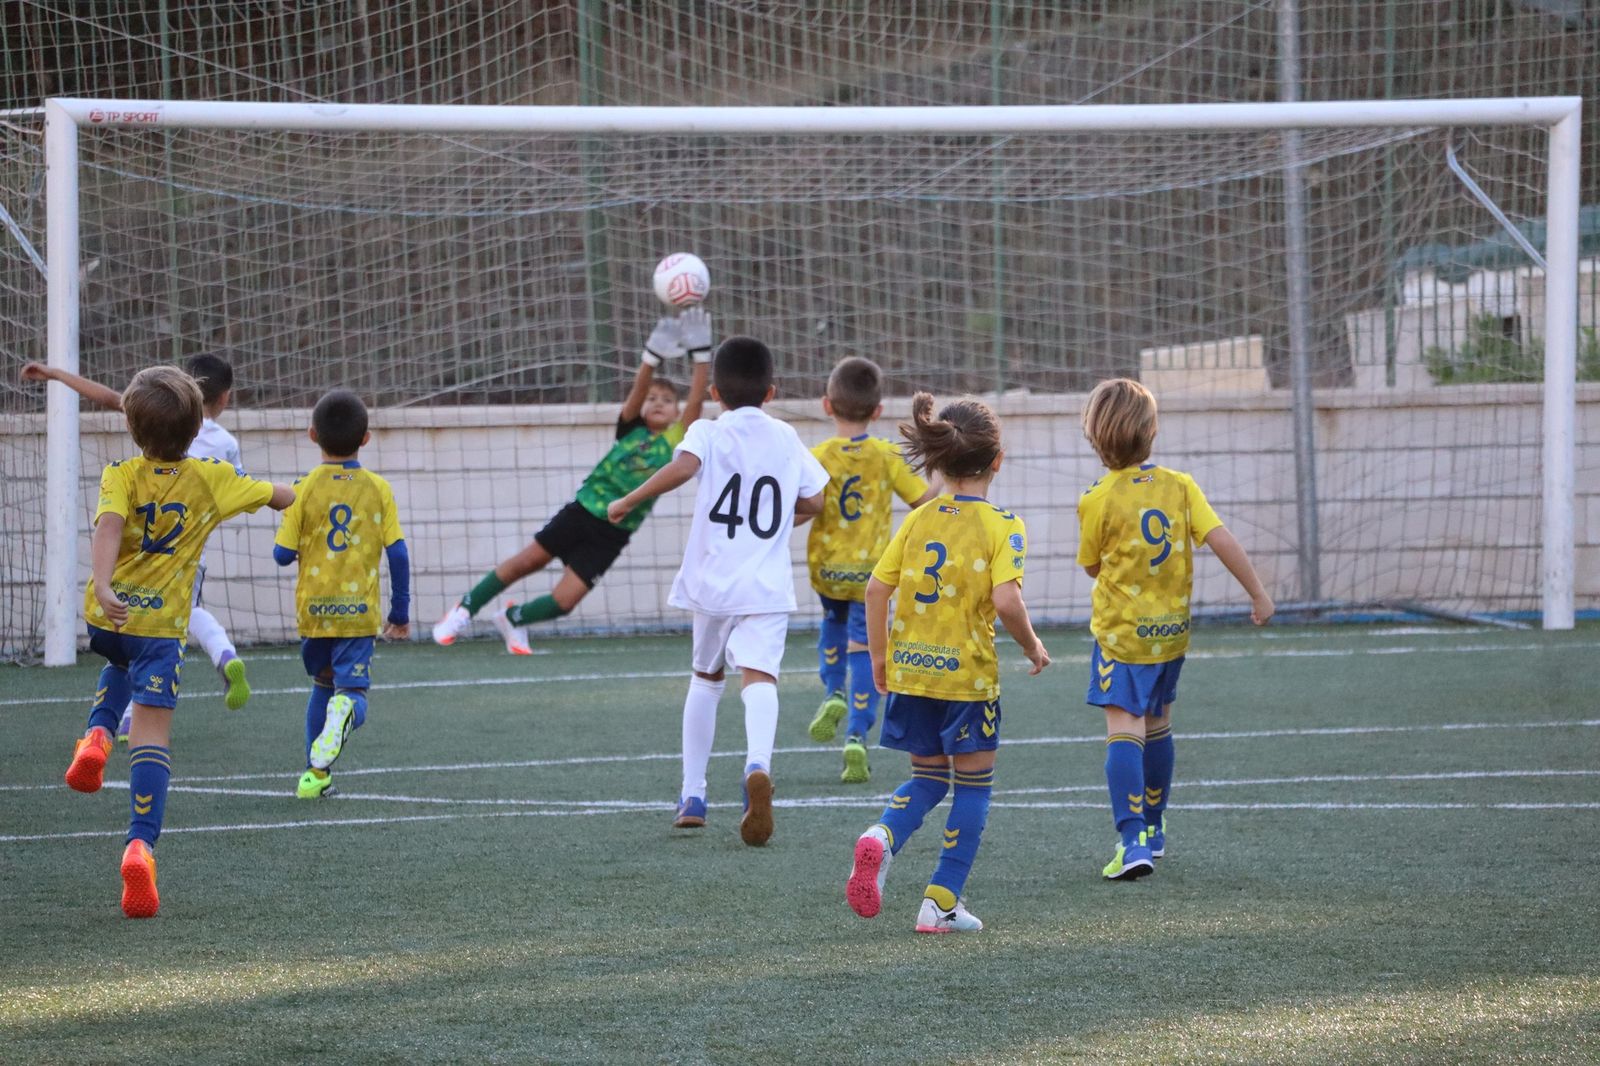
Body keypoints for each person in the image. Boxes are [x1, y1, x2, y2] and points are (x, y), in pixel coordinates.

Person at [62, 365, 293, 918]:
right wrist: (297, 495)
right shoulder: (212, 477)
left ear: (132, 428)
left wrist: (101, 584)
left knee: (118, 663)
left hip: (109, 617)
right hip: (163, 630)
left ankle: (95, 735)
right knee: (152, 738)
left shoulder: (119, 474)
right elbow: (279, 496)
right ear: (197, 429)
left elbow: (107, 530)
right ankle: (139, 845)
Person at [607, 335, 828, 845]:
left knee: (706, 677)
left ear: (716, 396)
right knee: (760, 678)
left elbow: (683, 468)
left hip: (712, 581)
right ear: (771, 392)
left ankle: (693, 794)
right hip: (766, 585)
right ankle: (757, 766)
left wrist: (629, 500)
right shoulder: (786, 436)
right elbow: (816, 500)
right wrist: (778, 526)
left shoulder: (706, 430)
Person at [845, 393, 1049, 933]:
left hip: (912, 673)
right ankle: (939, 902)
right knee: (973, 789)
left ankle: (881, 836)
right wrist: (1032, 647)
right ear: (997, 460)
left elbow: (874, 591)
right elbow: (1006, 600)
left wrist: (882, 662)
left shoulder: (918, 520)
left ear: (936, 461)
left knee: (928, 779)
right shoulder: (1004, 525)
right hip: (967, 680)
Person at [1076, 378, 1273, 881]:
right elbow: (1221, 538)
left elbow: (1093, 567)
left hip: (1122, 638)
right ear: (1152, 431)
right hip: (1171, 636)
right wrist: (1257, 592)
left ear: (1095, 436)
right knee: (1159, 725)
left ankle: (1131, 839)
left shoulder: (1097, 498)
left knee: (1124, 730)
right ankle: (1156, 829)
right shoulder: (1181, 486)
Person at [432, 310, 711, 653]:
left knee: (565, 601)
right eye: (652, 398)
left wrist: (701, 356)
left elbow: (696, 401)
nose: (657, 403)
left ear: (675, 414)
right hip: (582, 511)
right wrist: (650, 358)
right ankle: (462, 611)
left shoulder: (675, 442)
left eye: (667, 401)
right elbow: (638, 391)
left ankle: (514, 618)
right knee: (527, 561)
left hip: (615, 530)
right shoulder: (629, 427)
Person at [23, 355, 256, 737]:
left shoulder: (132, 453)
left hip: (131, 562)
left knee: (134, 639)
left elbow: (108, 397)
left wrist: (55, 374)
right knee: (167, 632)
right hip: (181, 557)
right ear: (224, 399)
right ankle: (221, 654)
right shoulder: (223, 444)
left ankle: (119, 721)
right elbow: (244, 488)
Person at [804, 357, 938, 784]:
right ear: (878, 411)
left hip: (828, 569)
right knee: (865, 648)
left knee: (832, 624)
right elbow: (923, 501)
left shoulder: (817, 456)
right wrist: (939, 467)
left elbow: (804, 505)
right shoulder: (886, 455)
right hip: (870, 574)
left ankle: (833, 692)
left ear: (827, 405)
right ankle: (857, 737)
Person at [274, 389, 410, 800]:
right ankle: (345, 712)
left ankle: (316, 777)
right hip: (357, 613)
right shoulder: (377, 488)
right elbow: (398, 552)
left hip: (313, 612)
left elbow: (281, 555)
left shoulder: (302, 489)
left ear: (312, 435)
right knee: (352, 696)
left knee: (321, 685)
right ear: (365, 439)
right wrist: (399, 610)